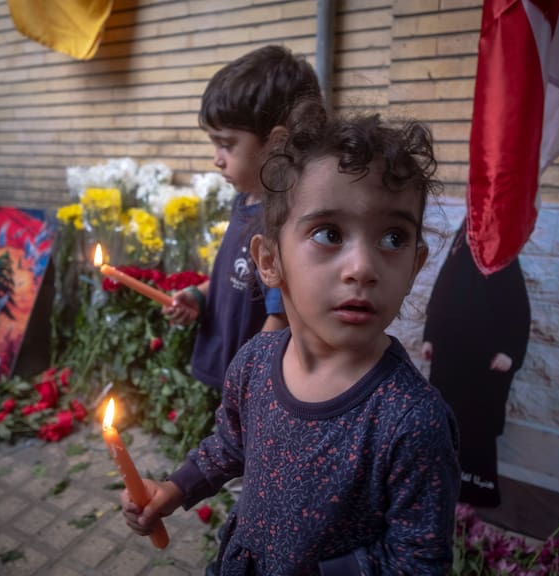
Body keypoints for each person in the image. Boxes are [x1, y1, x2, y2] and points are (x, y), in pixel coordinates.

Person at [120, 101, 461, 575]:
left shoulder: (411, 423)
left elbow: (418, 563)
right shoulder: (256, 362)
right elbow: (231, 444)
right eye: (328, 233)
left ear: (415, 266)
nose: (363, 267)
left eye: (392, 239)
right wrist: (174, 489)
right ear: (269, 261)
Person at [164, 44, 322, 391]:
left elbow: (279, 315)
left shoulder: (285, 223)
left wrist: (247, 385)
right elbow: (238, 277)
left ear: (277, 142)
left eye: (226, 144)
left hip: (251, 384)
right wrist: (200, 296)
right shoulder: (245, 201)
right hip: (228, 371)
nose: (216, 159)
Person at [422, 220, 531, 507]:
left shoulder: (504, 264)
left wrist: (510, 352)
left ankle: (476, 488)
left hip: (485, 364)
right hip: (450, 358)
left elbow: (518, 313)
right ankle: (434, 482)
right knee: (444, 419)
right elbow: (440, 298)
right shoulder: (456, 259)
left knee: (478, 425)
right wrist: (430, 337)